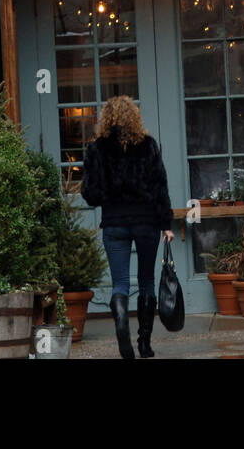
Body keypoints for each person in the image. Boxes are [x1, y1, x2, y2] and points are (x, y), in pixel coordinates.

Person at [80, 96, 174, 358]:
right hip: (146, 222)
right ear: (134, 117)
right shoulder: (148, 145)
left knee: (120, 283)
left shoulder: (97, 149)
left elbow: (90, 192)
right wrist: (166, 224)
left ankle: (121, 315)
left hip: (114, 223)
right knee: (146, 280)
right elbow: (160, 187)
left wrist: (108, 197)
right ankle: (144, 344)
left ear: (106, 119)